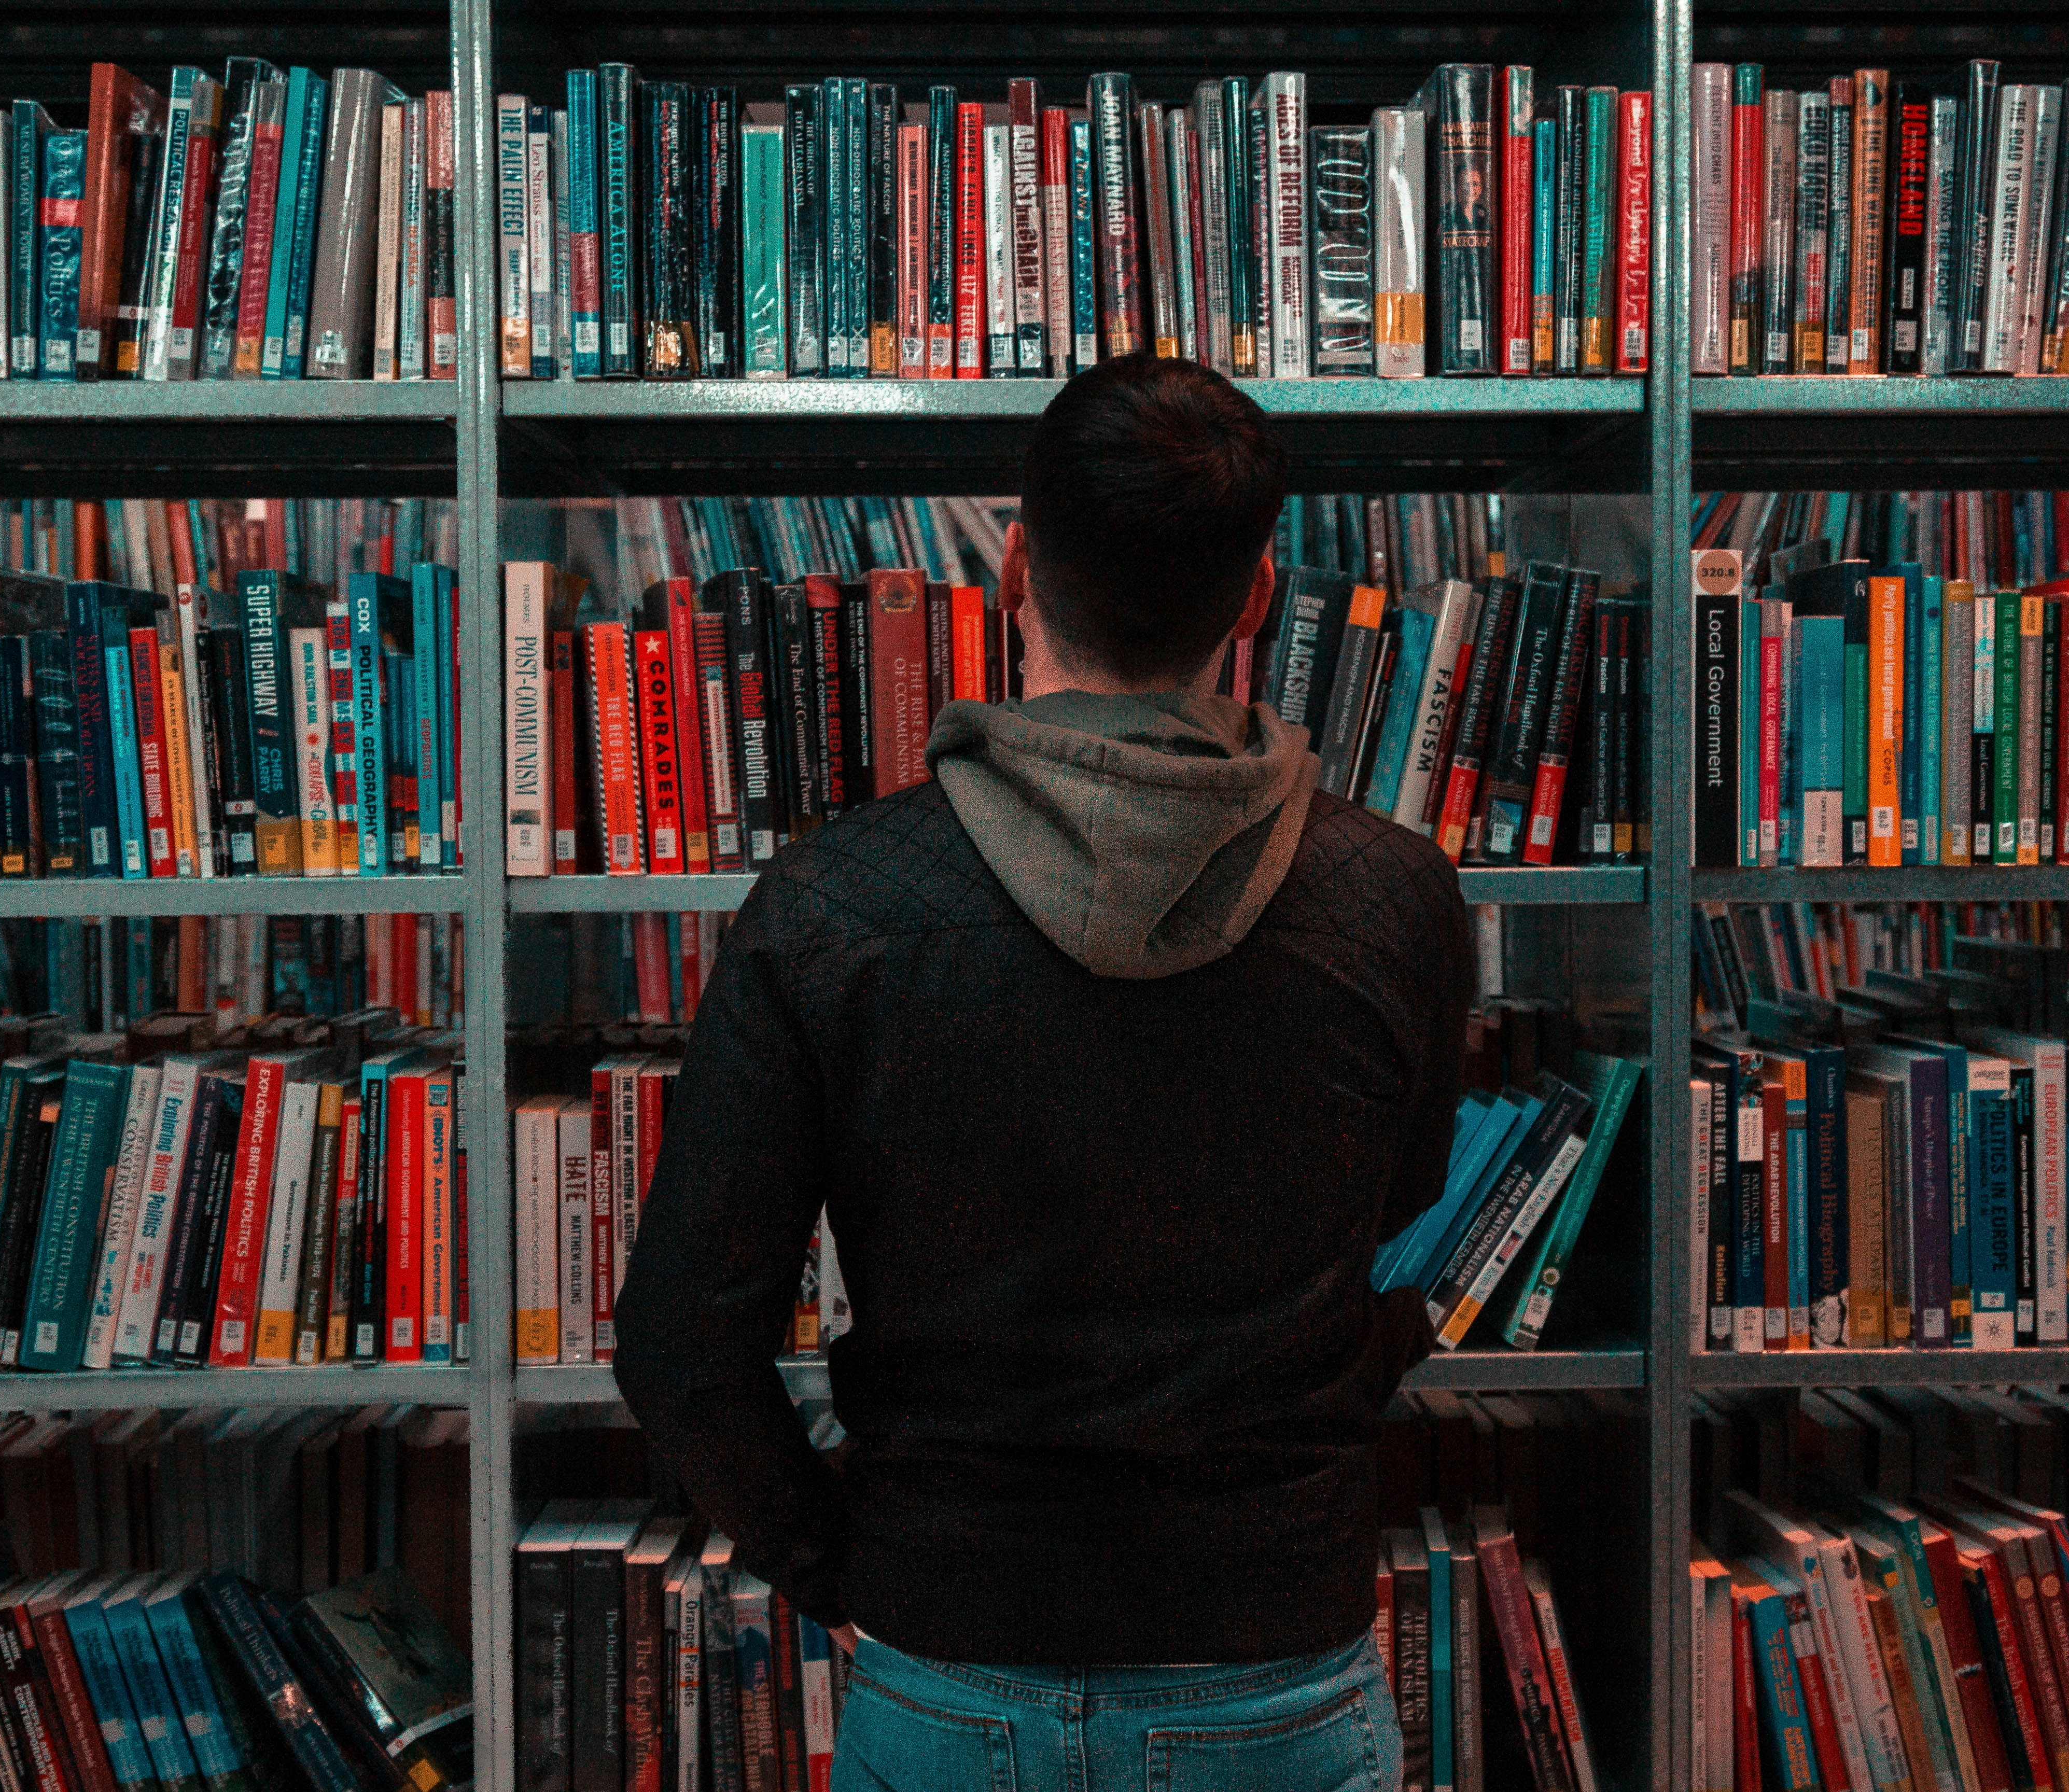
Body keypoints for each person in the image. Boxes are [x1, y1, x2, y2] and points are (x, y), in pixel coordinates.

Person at [613, 352, 1474, 1791]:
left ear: (1012, 568)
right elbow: (1395, 1211)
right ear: (1257, 597)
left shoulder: (837, 903)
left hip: (949, 1653)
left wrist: (851, 1565)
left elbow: (681, 1344)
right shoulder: (1395, 901)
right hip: (1270, 1651)